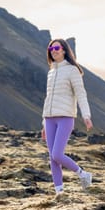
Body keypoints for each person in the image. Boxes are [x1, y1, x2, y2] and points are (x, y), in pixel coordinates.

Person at [41, 38, 93, 197]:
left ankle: (83, 174)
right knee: (52, 158)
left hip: (65, 117)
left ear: (64, 50)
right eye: (51, 48)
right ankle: (59, 192)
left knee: (57, 154)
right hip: (49, 118)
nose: (54, 50)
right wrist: (43, 123)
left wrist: (86, 115)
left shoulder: (72, 70)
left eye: (57, 47)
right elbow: (48, 98)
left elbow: (81, 93)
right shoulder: (51, 72)